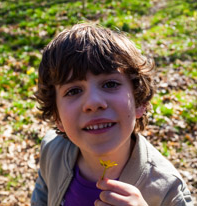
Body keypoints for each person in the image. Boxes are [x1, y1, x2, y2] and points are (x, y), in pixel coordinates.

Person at [31, 23, 193, 206]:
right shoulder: (53, 150)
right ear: (57, 116)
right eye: (74, 91)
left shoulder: (168, 190)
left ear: (140, 101)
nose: (93, 103)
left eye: (110, 84)